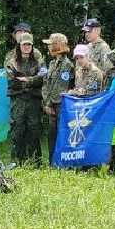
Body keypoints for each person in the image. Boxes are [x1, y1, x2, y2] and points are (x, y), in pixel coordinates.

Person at [5, 31, 46, 167]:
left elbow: (42, 78)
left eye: (29, 44)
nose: (27, 47)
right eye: (24, 44)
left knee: (34, 130)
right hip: (18, 101)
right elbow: (13, 81)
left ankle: (36, 162)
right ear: (19, 45)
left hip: (34, 101)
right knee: (17, 130)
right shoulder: (12, 61)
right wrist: (32, 81)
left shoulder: (38, 59)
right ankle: (16, 161)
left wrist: (26, 80)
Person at [41, 33, 74, 161]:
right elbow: (47, 84)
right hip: (52, 104)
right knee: (52, 134)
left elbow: (60, 87)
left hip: (61, 105)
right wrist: (47, 102)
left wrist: (49, 104)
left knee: (62, 133)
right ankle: (52, 161)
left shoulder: (66, 64)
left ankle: (63, 161)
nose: (49, 47)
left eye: (50, 44)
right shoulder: (52, 63)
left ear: (57, 45)